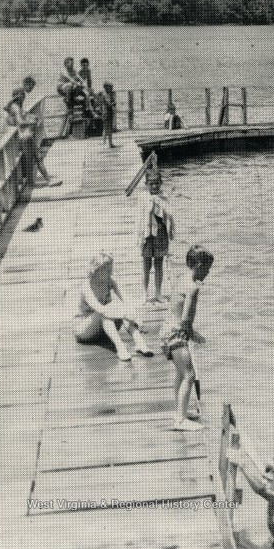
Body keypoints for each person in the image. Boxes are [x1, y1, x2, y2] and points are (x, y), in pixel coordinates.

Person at [161, 245, 214, 431]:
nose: (208, 273)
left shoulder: (182, 279)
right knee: (189, 375)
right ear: (199, 266)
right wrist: (194, 335)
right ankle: (181, 420)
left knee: (180, 373)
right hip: (176, 334)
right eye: (207, 269)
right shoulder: (193, 288)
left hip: (166, 331)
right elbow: (185, 319)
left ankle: (179, 412)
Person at [73, 253, 153, 361]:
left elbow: (126, 299)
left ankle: (140, 343)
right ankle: (120, 347)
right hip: (84, 330)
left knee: (121, 307)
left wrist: (133, 314)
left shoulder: (110, 280)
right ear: (96, 270)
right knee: (106, 311)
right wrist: (124, 314)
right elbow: (100, 309)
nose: (111, 272)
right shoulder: (86, 286)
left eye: (111, 269)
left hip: (102, 329)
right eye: (107, 270)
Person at [137, 170, 174, 304]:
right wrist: (139, 236)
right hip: (147, 234)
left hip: (160, 233)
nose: (154, 187)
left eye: (157, 183)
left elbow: (169, 215)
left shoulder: (164, 196)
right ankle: (144, 294)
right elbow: (139, 218)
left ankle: (158, 293)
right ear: (146, 184)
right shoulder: (142, 197)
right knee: (146, 265)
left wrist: (171, 230)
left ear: (161, 183)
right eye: (151, 184)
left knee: (159, 264)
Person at [97, 82, 117, 148]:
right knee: (109, 128)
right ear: (106, 88)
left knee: (105, 128)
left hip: (105, 112)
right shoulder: (106, 95)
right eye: (110, 87)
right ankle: (110, 144)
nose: (111, 89)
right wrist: (114, 103)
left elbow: (101, 104)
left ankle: (104, 142)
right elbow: (109, 104)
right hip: (107, 112)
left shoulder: (103, 94)